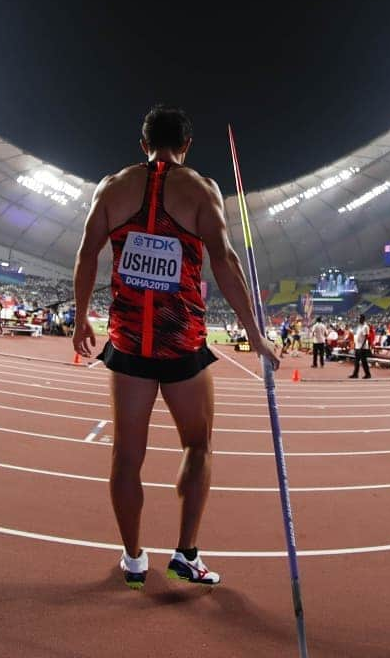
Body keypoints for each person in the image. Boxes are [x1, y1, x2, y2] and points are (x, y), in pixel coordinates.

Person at [73, 105, 279, 590]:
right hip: (182, 344)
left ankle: (133, 559)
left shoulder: (112, 187)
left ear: (142, 143)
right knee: (199, 445)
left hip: (128, 346)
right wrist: (253, 331)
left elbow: (87, 253)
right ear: (186, 145)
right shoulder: (201, 190)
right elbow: (225, 262)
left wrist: (81, 315)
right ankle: (186, 554)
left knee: (126, 458)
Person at [350, 313, 371, 379]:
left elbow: (366, 337)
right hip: (358, 346)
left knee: (364, 361)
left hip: (362, 347)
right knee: (356, 361)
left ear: (363, 319)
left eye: (359, 318)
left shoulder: (365, 326)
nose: (358, 319)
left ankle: (368, 374)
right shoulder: (359, 326)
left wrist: (362, 346)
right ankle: (355, 374)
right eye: (358, 318)